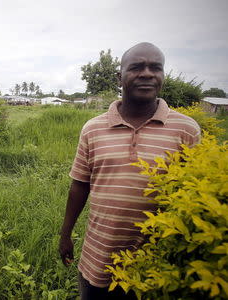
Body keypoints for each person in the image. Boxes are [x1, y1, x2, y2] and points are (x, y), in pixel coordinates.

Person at [59, 42, 201, 300]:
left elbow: (195, 198)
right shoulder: (93, 128)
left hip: (158, 265)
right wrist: (65, 234)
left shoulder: (186, 129)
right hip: (98, 257)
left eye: (155, 68)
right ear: (119, 77)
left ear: (163, 76)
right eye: (136, 67)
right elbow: (80, 184)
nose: (147, 73)